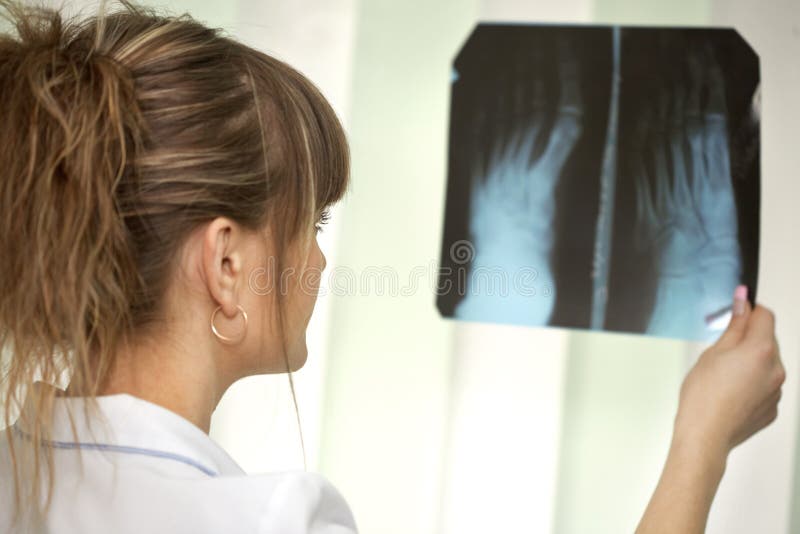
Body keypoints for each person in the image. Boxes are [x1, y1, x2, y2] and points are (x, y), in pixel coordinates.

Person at [0, 2, 785, 533]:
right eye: (310, 221)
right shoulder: (276, 518)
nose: (318, 256)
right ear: (228, 265)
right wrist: (702, 439)